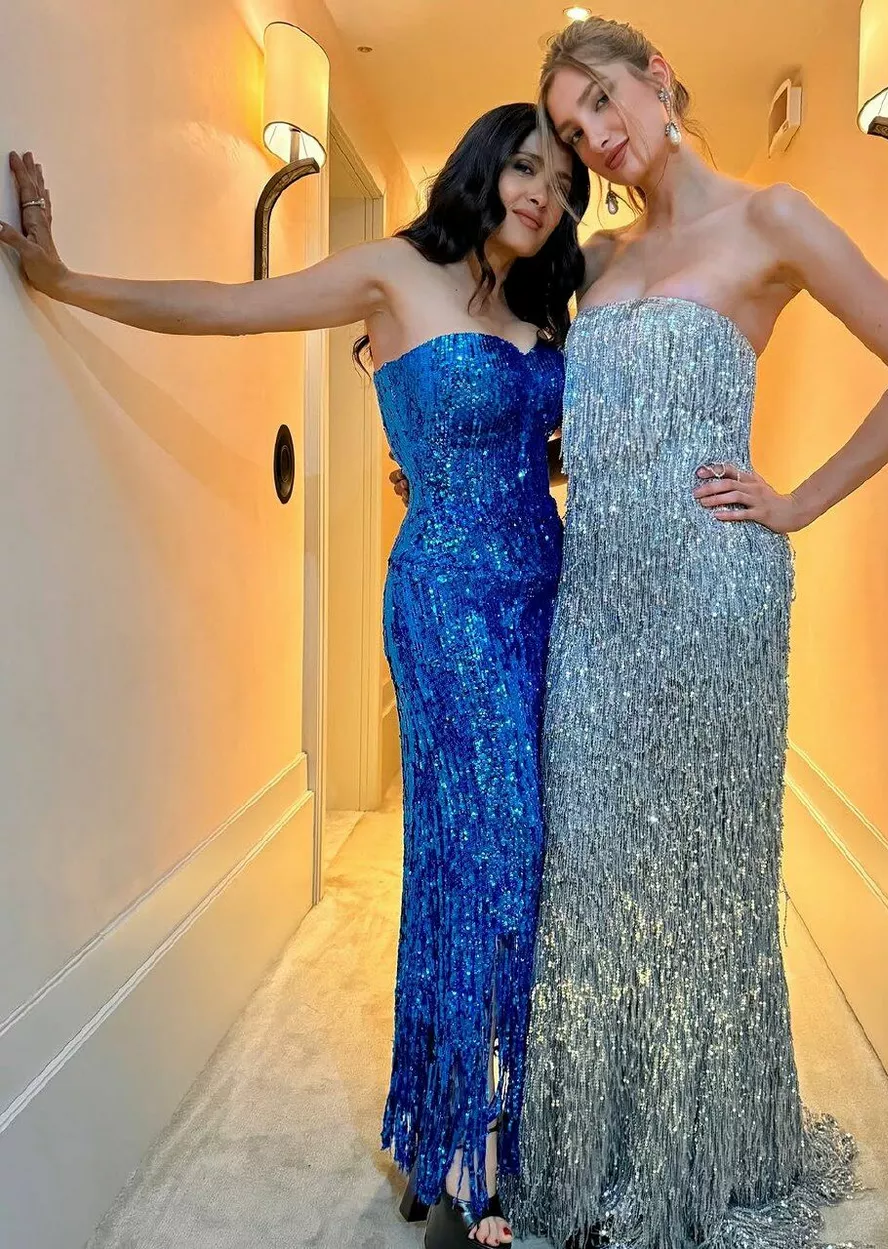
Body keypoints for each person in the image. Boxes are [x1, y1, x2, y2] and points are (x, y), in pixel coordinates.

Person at [1, 101, 591, 1249]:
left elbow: (554, 446)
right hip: (446, 604)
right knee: (499, 849)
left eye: (563, 185)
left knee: (489, 863)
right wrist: (65, 280)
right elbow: (225, 308)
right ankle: (475, 1159)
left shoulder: (539, 307)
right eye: (527, 167)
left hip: (544, 603)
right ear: (483, 166)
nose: (542, 195)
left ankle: (452, 1127)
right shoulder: (392, 273)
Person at [499, 16, 888, 1249]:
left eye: (603, 102)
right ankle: (597, 1149)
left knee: (707, 888)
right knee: (591, 879)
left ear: (656, 79)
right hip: (596, 613)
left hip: (715, 602)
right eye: (571, 129)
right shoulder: (595, 256)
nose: (595, 139)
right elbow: (584, 418)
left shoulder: (775, 219)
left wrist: (797, 501)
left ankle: (701, 1159)